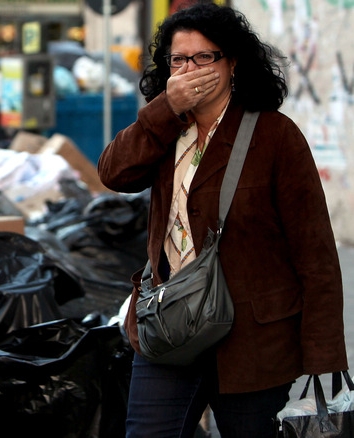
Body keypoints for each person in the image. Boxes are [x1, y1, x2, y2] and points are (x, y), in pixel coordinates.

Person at [97, 3, 348, 437]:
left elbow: (316, 252)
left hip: (254, 342)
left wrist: (322, 354)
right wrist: (164, 109)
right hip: (170, 328)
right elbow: (114, 173)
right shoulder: (165, 131)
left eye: (204, 57)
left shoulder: (275, 136)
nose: (190, 69)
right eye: (179, 60)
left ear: (232, 63)